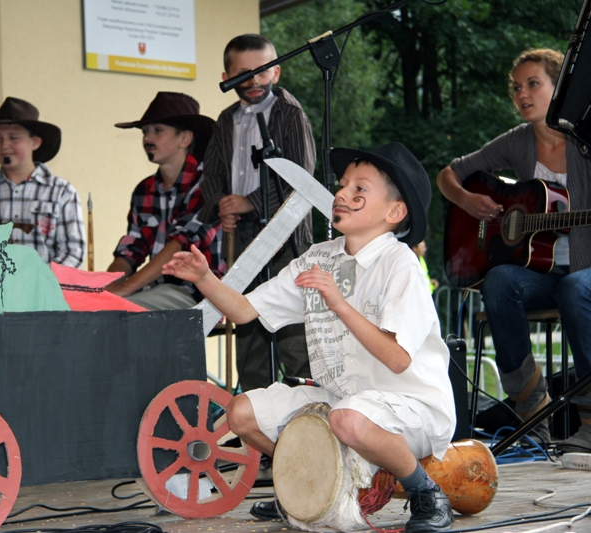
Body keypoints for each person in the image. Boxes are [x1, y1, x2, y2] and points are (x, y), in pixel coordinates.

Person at [165, 143, 456, 532]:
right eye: (342, 184)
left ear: (394, 212)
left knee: (347, 419)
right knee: (241, 413)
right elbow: (245, 311)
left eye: (359, 189)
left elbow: (398, 358)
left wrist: (339, 304)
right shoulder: (319, 257)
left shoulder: (399, 263)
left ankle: (427, 493)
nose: (342, 193)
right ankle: (308, 489)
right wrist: (205, 279)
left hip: (410, 409)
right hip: (342, 404)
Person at [436, 48, 591, 451]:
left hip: (586, 273)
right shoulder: (518, 141)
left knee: (576, 287)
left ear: (560, 89)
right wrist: (468, 201)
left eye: (533, 84)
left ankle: (590, 417)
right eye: (517, 87)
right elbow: (449, 174)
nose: (522, 94)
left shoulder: (584, 141)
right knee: (500, 279)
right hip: (543, 275)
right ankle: (532, 409)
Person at [198, 33, 316, 391]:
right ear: (226, 78)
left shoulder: (290, 114)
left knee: (293, 330)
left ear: (276, 73)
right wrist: (221, 205)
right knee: (247, 327)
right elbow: (211, 174)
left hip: (286, 238)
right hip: (243, 235)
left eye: (262, 71)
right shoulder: (226, 119)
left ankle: (308, 408)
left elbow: (302, 175)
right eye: (242, 73)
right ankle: (254, 410)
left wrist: (250, 201)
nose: (253, 80)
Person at [105, 92, 225, 310]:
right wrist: (105, 286)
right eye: (145, 132)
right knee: (99, 306)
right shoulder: (144, 190)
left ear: (185, 139)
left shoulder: (208, 185)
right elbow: (132, 248)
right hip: (154, 290)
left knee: (117, 309)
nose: (147, 138)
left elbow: (180, 245)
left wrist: (125, 288)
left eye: (158, 130)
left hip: (198, 293)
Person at [0, 97, 85, 268]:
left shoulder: (61, 192)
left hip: (46, 284)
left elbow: (73, 253)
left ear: (35, 142)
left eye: (14, 137)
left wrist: (40, 279)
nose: (4, 145)